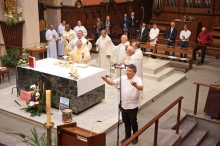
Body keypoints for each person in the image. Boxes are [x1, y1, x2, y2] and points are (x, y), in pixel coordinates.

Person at [101, 64, 143, 145]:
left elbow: (141, 87)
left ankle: (135, 137)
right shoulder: (122, 78)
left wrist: (136, 85)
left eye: (130, 71)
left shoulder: (138, 79)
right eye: (127, 70)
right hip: (124, 105)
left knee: (133, 123)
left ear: (134, 72)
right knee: (126, 122)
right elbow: (112, 82)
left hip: (132, 106)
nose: (127, 72)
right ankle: (128, 137)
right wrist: (106, 80)